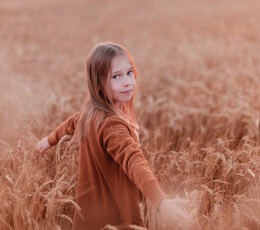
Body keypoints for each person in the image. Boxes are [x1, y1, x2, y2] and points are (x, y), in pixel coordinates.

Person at [37, 42, 199, 230]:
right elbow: (134, 162)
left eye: (129, 72)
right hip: (115, 219)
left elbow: (71, 123)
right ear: (98, 83)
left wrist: (48, 141)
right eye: (116, 76)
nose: (127, 81)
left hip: (89, 218)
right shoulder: (112, 125)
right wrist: (161, 202)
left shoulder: (91, 112)